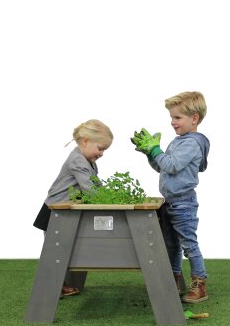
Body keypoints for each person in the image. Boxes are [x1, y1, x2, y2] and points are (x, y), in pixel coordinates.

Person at [131, 91, 210, 304]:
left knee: (189, 245)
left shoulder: (191, 143)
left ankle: (200, 284)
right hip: (171, 202)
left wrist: (156, 150)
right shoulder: (179, 141)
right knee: (171, 244)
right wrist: (150, 154)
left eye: (177, 117)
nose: (172, 122)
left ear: (194, 118)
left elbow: (172, 165)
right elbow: (162, 167)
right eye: (171, 117)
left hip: (184, 203)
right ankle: (173, 279)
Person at [34, 119, 113, 296]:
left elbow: (96, 184)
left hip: (66, 210)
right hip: (55, 210)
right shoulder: (77, 160)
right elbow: (89, 189)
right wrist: (108, 200)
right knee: (54, 250)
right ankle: (49, 288)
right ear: (85, 141)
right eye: (100, 148)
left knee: (65, 247)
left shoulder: (88, 161)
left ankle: (60, 284)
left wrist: (108, 195)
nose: (102, 154)